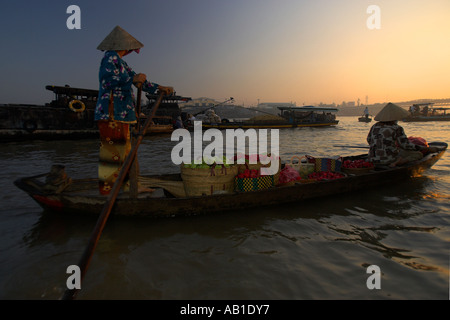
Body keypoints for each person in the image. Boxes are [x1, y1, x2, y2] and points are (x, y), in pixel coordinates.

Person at [94, 25, 174, 195]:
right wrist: (132, 78)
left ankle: (131, 186)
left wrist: (159, 87)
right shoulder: (109, 57)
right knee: (112, 152)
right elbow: (108, 80)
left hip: (122, 113)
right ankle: (109, 192)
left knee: (127, 153)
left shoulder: (121, 62)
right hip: (112, 112)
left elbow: (139, 81)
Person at [366, 103, 438, 168]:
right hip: (389, 160)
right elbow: (406, 146)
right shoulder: (397, 128)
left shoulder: (375, 126)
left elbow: (369, 140)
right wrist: (427, 148)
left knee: (399, 151)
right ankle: (399, 161)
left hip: (372, 158)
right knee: (418, 155)